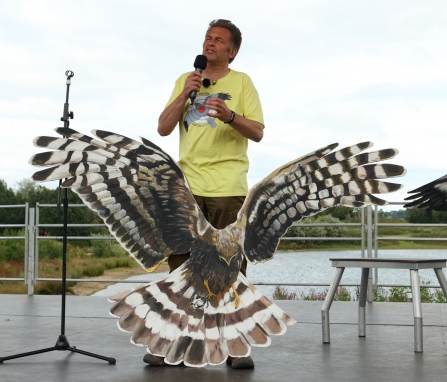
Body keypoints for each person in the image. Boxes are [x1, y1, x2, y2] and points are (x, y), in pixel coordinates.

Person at [147, 19, 264, 369]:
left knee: (229, 271)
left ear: (233, 51)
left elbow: (257, 132)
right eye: (207, 38)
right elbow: (163, 127)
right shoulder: (188, 80)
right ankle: (173, 344)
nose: (210, 43)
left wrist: (229, 115)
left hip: (228, 189)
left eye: (219, 40)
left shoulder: (242, 83)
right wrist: (185, 93)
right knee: (180, 270)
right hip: (188, 188)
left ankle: (235, 346)